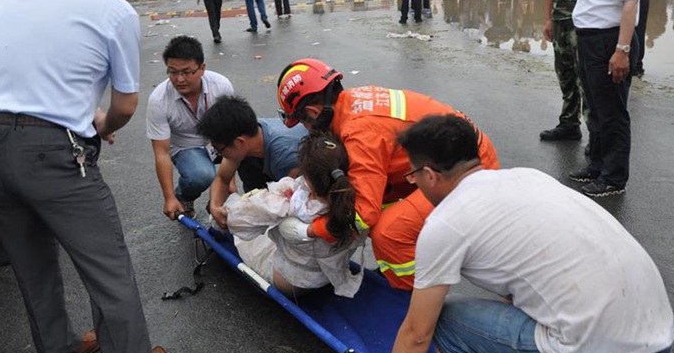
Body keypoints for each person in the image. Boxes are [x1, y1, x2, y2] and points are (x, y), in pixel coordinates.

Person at [373, 114, 674, 353]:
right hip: (658, 344)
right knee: (563, 314)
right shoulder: (528, 177)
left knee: (446, 323)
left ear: (430, 175)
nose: (414, 183)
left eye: (413, 175)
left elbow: (418, 333)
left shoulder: (445, 223)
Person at [0, 0, 167, 353]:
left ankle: (61, 352)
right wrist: (101, 126)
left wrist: (79, 111)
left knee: (30, 262)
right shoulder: (114, 10)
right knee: (105, 264)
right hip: (49, 153)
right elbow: (125, 105)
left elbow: (29, 71)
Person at [275, 58, 500, 291]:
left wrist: (309, 230)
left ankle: (413, 296)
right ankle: (411, 258)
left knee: (388, 232)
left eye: (302, 122)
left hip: (467, 174)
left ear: (313, 113)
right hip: (448, 162)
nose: (306, 129)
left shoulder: (360, 132)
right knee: (378, 208)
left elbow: (363, 214)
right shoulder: (351, 104)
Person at [226, 134, 364, 298]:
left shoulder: (291, 205)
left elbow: (239, 221)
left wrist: (235, 207)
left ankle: (221, 211)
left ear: (308, 176)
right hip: (329, 275)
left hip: (290, 282)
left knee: (239, 221)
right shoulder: (357, 203)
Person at [569, 0, 645, 197]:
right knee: (596, 109)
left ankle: (613, 178)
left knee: (612, 112)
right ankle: (598, 165)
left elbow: (630, 3)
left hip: (609, 40)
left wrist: (622, 50)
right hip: (590, 39)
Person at [146, 36, 234, 220]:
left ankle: (225, 200)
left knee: (253, 145)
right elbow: (161, 153)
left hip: (218, 140)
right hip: (185, 146)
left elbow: (230, 134)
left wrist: (229, 183)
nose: (179, 79)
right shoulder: (159, 100)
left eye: (187, 72)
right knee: (201, 175)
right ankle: (184, 197)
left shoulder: (221, 86)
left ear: (202, 68)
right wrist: (169, 198)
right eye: (173, 72)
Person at [198, 95, 308, 230]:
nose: (219, 154)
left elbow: (292, 203)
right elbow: (222, 179)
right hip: (268, 163)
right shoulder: (244, 135)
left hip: (304, 189)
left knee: (286, 224)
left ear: (239, 142)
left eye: (219, 150)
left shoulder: (285, 156)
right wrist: (215, 207)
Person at [538, 0, 592, 143]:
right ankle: (569, 124)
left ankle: (596, 135)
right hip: (561, 16)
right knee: (565, 74)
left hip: (588, 16)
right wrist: (548, 18)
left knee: (587, 77)